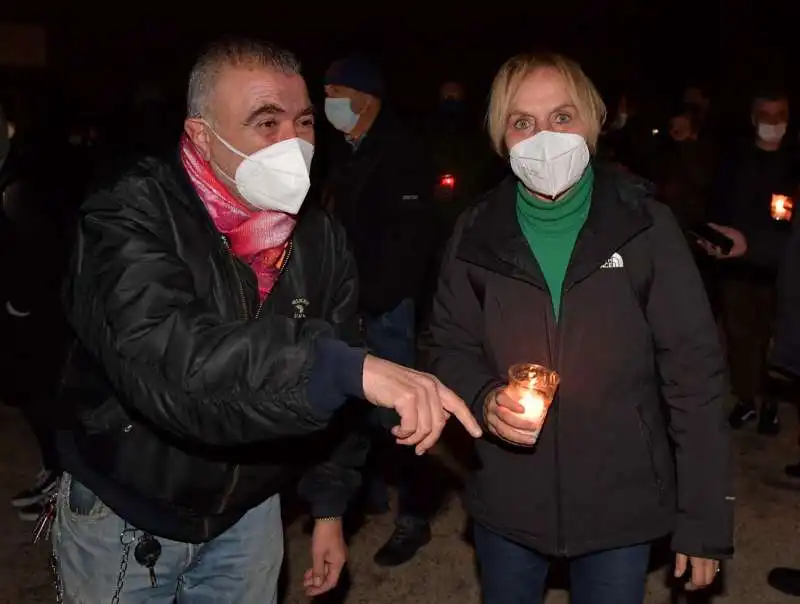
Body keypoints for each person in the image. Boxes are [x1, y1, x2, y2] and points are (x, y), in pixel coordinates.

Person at [52, 37, 481, 604]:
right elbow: (171, 362)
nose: (294, 143)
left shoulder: (318, 237)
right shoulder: (131, 212)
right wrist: (338, 368)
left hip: (249, 514)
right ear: (203, 136)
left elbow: (341, 390)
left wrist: (328, 506)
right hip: (129, 513)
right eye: (266, 123)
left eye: (303, 122)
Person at [427, 52, 733, 604]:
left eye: (562, 117)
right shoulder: (475, 233)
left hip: (621, 505)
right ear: (502, 139)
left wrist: (704, 518)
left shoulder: (646, 226)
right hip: (508, 501)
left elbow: (696, 374)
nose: (544, 137)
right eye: (523, 122)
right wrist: (484, 395)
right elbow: (446, 344)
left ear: (593, 123)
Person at [322, 55, 438, 566]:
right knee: (356, 403)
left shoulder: (399, 150)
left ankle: (414, 516)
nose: (328, 103)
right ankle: (367, 491)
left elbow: (410, 239)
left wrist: (377, 300)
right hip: (353, 301)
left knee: (402, 413)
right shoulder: (348, 149)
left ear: (365, 98)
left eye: (335, 92)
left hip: (383, 304)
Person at [706, 89, 796, 434]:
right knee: (741, 339)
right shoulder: (735, 162)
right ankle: (745, 400)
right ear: (753, 118)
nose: (773, 123)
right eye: (766, 115)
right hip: (738, 270)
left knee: (774, 343)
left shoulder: (793, 162)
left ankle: (771, 404)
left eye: (780, 116)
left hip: (782, 270)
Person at [0, 102, 69, 521]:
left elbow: (35, 250)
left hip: (30, 315)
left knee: (39, 393)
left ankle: (62, 478)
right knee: (29, 394)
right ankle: (56, 470)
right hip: (21, 310)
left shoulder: (19, 184)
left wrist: (20, 304)